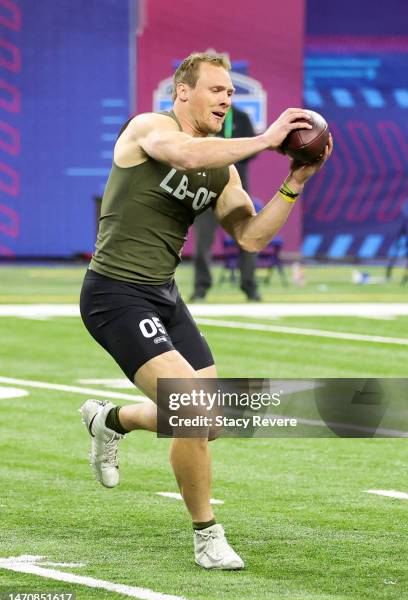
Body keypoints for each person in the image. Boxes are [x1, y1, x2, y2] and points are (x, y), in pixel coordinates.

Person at [79, 51, 333, 570]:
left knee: (207, 419)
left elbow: (253, 236)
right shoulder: (150, 127)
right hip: (115, 293)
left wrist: (296, 181)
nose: (226, 99)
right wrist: (266, 139)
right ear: (183, 92)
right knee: (193, 410)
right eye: (216, 90)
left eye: (231, 93)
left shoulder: (224, 170)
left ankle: (111, 420)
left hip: (163, 296)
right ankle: (206, 534)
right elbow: (187, 156)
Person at [190, 104, 261, 301]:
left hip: (234, 191)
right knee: (202, 245)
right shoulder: (201, 118)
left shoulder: (240, 117)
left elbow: (253, 150)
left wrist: (228, 149)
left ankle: (250, 287)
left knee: (247, 240)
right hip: (205, 189)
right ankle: (200, 288)